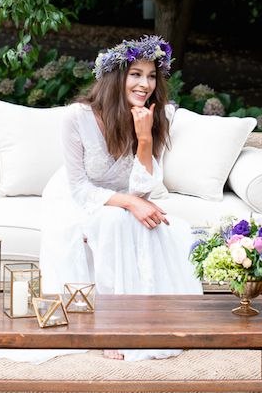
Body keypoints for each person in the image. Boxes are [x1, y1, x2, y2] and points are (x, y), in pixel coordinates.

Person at [40, 34, 202, 361]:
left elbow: (142, 189)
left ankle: (155, 319)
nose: (145, 84)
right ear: (117, 76)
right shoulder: (78, 117)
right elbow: (80, 189)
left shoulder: (152, 116)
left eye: (152, 76)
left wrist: (143, 139)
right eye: (136, 74)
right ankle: (110, 325)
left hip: (124, 200)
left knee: (174, 229)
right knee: (115, 219)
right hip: (76, 200)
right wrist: (130, 202)